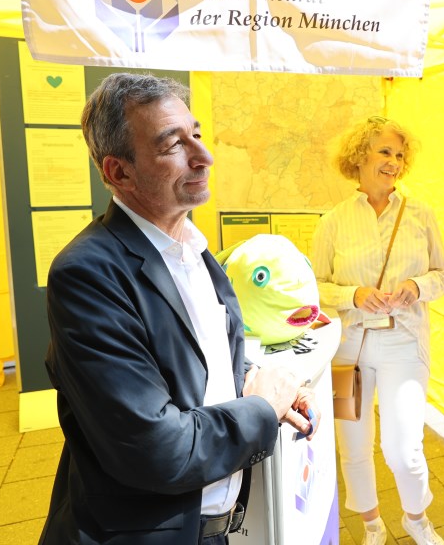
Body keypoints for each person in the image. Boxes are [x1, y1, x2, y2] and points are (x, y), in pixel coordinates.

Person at [39, 72, 319, 545]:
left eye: (197, 134)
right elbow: (157, 449)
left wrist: (249, 376)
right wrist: (261, 407)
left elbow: (197, 351)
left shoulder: (193, 248)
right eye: (172, 144)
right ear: (118, 172)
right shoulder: (87, 274)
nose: (203, 156)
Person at [312, 116, 444, 545]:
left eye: (399, 154)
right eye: (385, 152)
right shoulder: (332, 221)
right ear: (359, 157)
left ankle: (416, 518)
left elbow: (443, 275)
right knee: (353, 446)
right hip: (348, 347)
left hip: (402, 344)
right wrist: (353, 295)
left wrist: (416, 286)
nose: (394, 161)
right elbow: (314, 287)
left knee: (403, 447)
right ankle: (373, 525)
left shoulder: (421, 214)